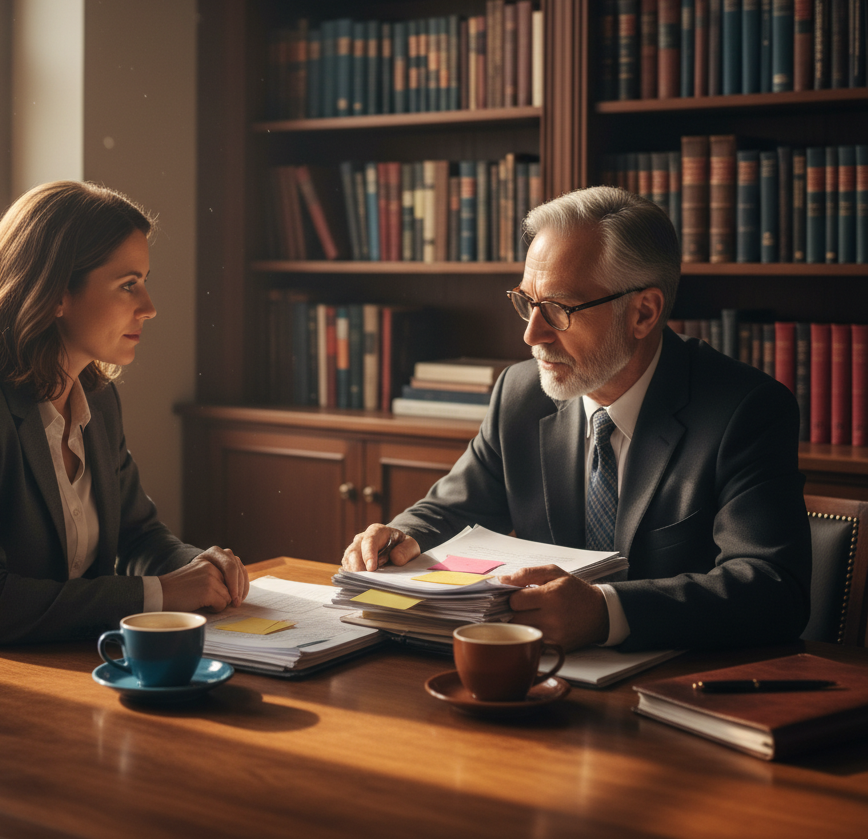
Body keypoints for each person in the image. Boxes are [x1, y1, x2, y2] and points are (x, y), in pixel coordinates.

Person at [342, 186, 811, 652]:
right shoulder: (520, 393)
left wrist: (606, 612)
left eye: (560, 310)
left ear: (643, 312)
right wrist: (399, 537)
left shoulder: (745, 410)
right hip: (538, 673)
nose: (532, 334)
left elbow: (771, 589)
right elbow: (450, 509)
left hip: (678, 685)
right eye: (527, 302)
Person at [0, 181, 248, 656]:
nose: (149, 308)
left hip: (53, 662)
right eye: (128, 285)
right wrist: (165, 594)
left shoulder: (99, 400)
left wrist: (202, 567)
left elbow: (139, 536)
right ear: (54, 294)